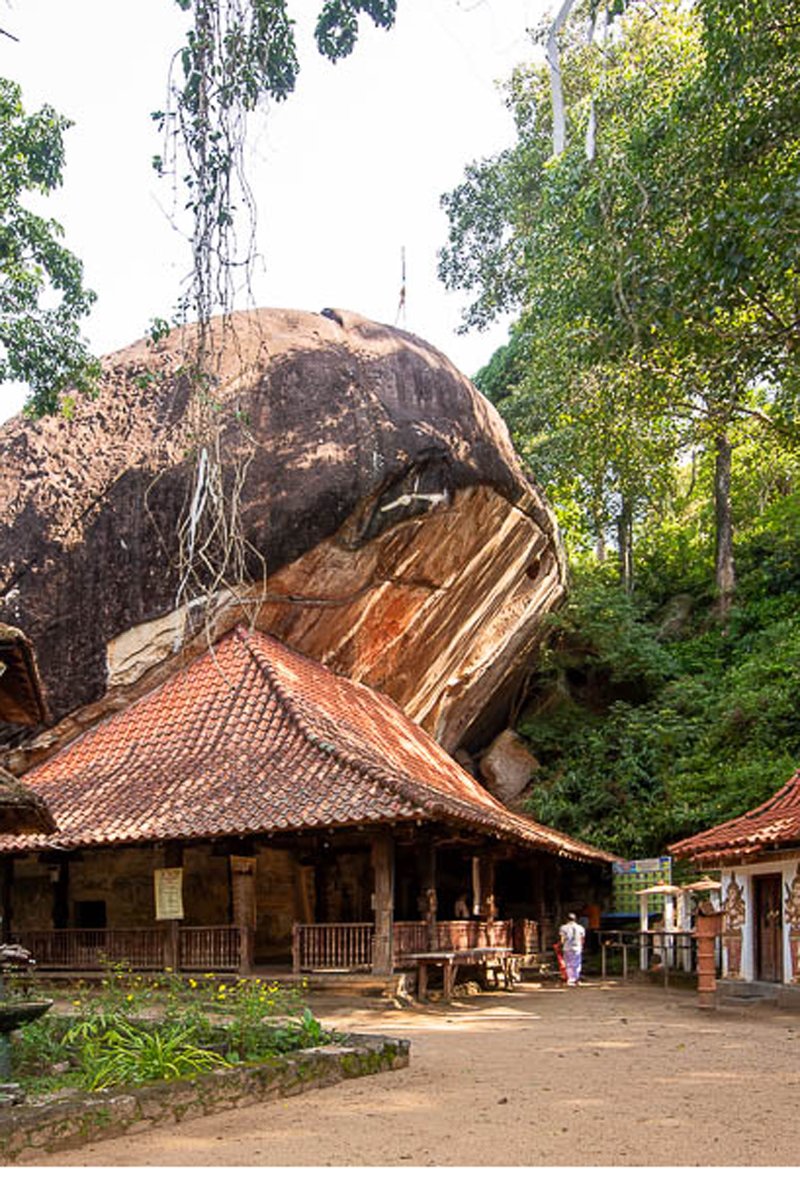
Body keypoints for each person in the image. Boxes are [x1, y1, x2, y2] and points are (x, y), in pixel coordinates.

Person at [559, 912, 586, 986]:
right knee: (577, 963)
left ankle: (570, 979)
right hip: (577, 947)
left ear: (567, 919)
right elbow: (582, 939)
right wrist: (581, 946)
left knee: (568, 964)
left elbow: (562, 939)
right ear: (575, 919)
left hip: (567, 947)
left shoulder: (563, 927)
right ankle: (576, 979)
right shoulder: (581, 928)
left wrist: (560, 945)